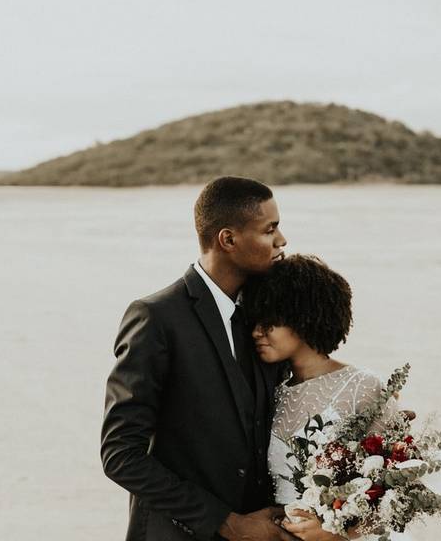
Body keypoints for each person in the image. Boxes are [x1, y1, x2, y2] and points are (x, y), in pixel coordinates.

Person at [101, 176, 298, 541]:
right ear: (228, 239)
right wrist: (227, 523)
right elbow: (120, 455)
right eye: (270, 230)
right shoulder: (156, 317)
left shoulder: (265, 318)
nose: (281, 241)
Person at [243, 254, 412, 541]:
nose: (257, 331)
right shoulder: (267, 389)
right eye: (255, 320)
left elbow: (403, 493)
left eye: (269, 321)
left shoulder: (363, 387)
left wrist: (337, 531)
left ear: (303, 317)